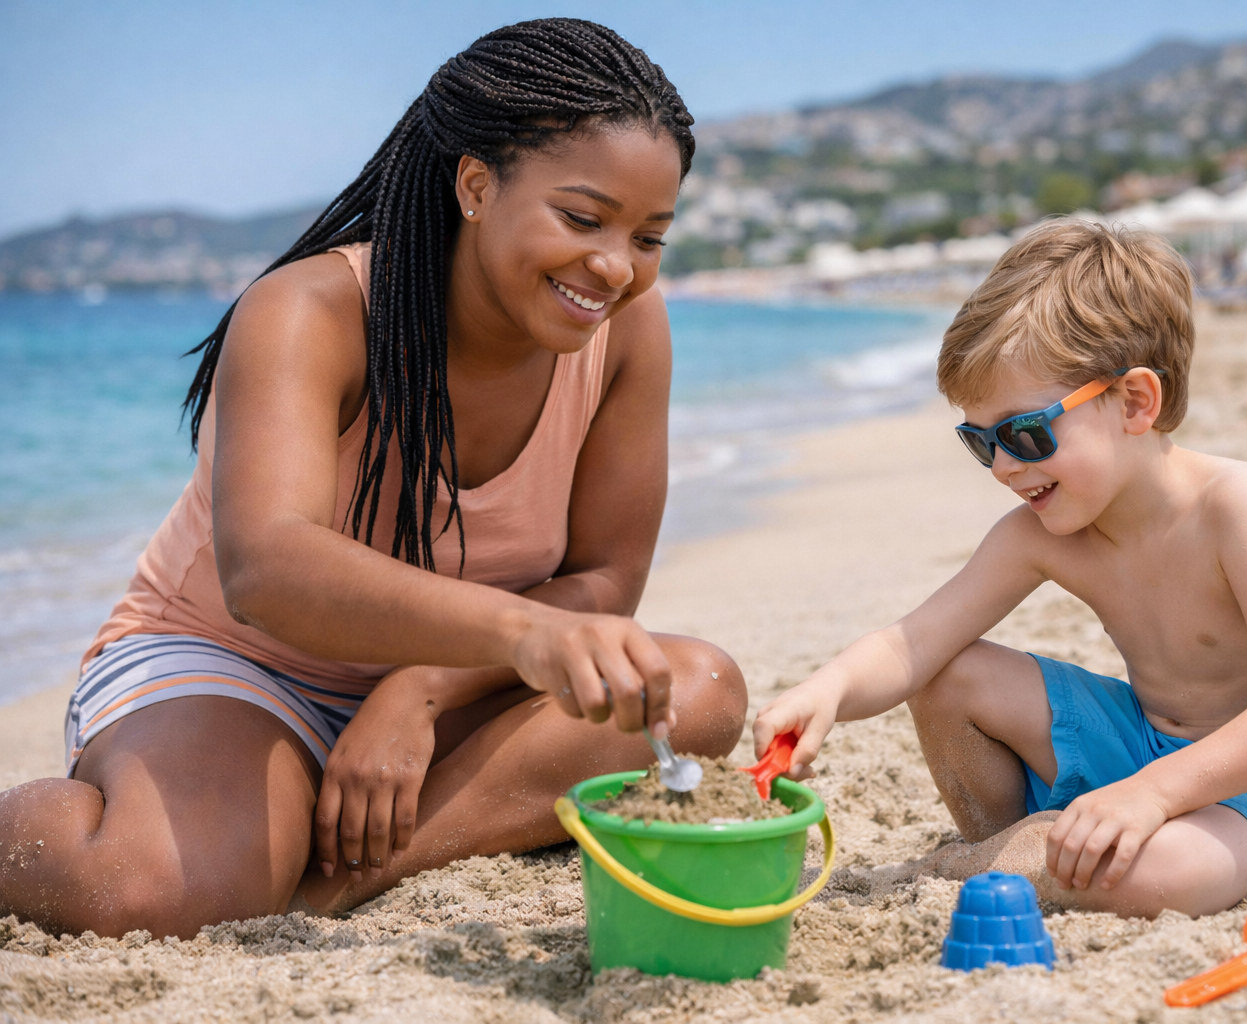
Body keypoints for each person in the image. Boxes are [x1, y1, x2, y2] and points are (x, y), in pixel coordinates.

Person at [0, 19, 747, 940]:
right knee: (148, 893)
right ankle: (229, 821)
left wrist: (422, 689)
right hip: (238, 665)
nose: (614, 266)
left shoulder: (629, 329)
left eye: (650, 237)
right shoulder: (312, 310)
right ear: (476, 184)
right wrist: (519, 632)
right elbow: (268, 569)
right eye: (584, 219)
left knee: (701, 688)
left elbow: (606, 578)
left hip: (461, 687)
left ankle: (347, 875)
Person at [754, 220, 1247, 918]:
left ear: (1135, 401)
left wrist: (1155, 794)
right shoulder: (1043, 534)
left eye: (1024, 432)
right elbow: (913, 645)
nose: (1006, 466)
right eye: (980, 442)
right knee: (947, 673)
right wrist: (827, 690)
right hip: (1142, 742)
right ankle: (1021, 854)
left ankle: (1002, 865)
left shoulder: (1240, 506)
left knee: (1152, 874)